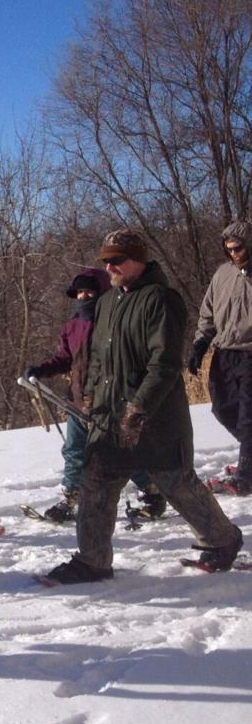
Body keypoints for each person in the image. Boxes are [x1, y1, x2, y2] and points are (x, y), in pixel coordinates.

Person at [44, 229, 244, 584]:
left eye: (117, 259)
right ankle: (93, 560)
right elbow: (100, 360)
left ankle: (224, 540)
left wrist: (139, 408)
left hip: (155, 417)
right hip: (108, 414)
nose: (109, 266)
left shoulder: (161, 299)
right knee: (96, 483)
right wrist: (90, 396)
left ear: (138, 258)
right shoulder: (107, 302)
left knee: (175, 482)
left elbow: (164, 363)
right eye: (105, 260)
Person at [25, 268, 165, 522]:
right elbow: (65, 358)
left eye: (89, 291)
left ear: (101, 292)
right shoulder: (72, 325)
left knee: (120, 451)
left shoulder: (111, 320)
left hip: (108, 400)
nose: (83, 296)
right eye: (79, 292)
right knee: (74, 450)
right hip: (77, 399)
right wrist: (40, 370)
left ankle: (153, 490)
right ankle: (71, 497)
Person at [187, 221, 252, 496]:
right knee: (223, 409)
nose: (233, 253)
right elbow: (208, 313)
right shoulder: (222, 274)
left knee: (249, 416)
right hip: (224, 353)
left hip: (250, 352)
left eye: (238, 248)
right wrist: (200, 343)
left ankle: (246, 475)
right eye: (229, 250)